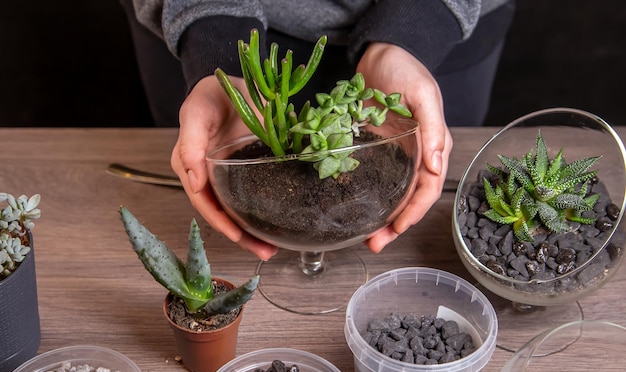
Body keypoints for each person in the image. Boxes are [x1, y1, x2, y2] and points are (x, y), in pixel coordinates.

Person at [121, 0, 515, 261]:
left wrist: (416, 28)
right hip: (211, 27)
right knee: (218, 154)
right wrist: (211, 39)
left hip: (434, 23)